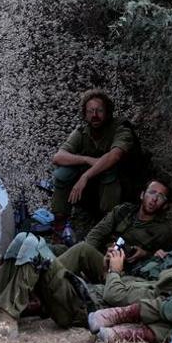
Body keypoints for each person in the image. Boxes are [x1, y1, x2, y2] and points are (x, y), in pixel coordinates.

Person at [0, 180, 172, 338]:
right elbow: (96, 234)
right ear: (143, 194)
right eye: (152, 192)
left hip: (121, 273)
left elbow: (159, 261)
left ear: (165, 204)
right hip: (103, 262)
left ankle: (5, 309)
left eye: (161, 197)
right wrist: (104, 257)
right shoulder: (124, 212)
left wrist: (144, 255)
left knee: (73, 249)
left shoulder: (165, 231)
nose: (154, 199)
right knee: (25, 238)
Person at [47, 89, 142, 242]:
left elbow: (115, 155)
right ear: (85, 114)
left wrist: (86, 175)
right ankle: (59, 225)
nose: (95, 115)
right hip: (92, 190)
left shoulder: (121, 129)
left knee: (109, 169)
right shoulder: (82, 132)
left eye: (99, 110)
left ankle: (108, 226)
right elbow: (58, 157)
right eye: (90, 111)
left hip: (121, 189)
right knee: (62, 173)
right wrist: (86, 160)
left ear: (108, 112)